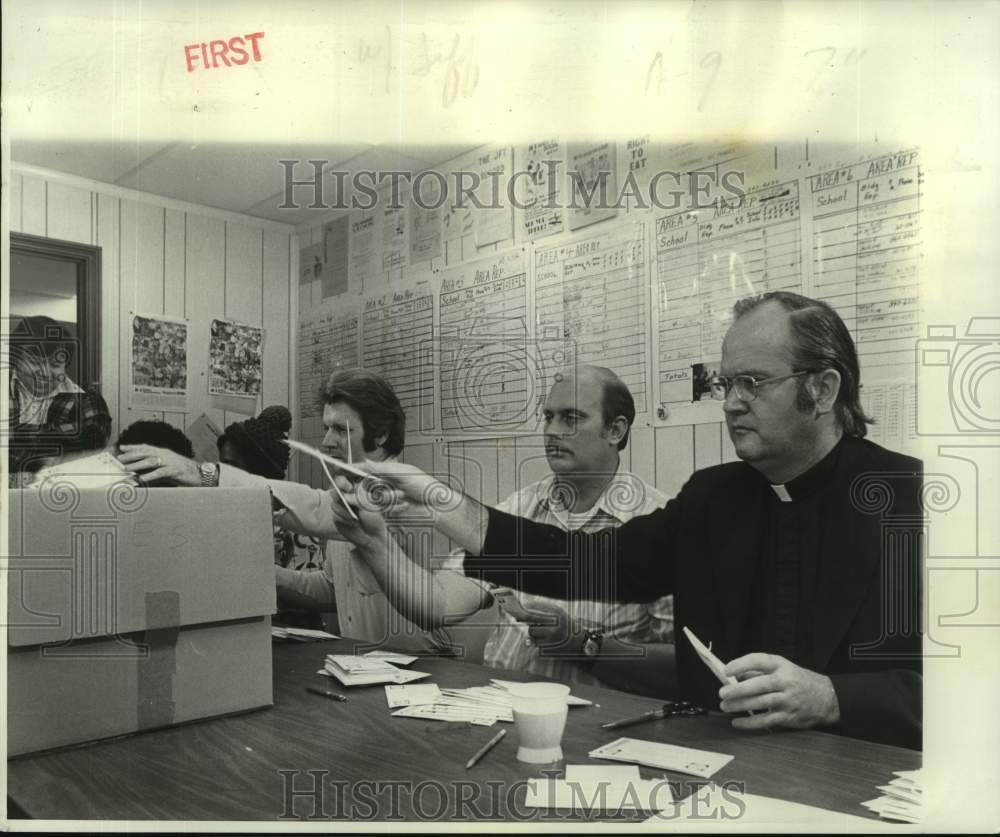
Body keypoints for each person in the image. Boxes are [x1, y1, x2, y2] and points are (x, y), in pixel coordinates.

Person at [336, 292, 923, 749]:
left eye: (754, 382)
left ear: (823, 389)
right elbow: (583, 563)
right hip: (718, 767)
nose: (730, 401)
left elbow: (968, 689)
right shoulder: (714, 498)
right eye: (727, 382)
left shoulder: (913, 499)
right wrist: (438, 500)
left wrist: (832, 696)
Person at [334, 365, 676, 694]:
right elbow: (437, 606)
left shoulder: (657, 524)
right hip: (500, 716)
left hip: (594, 732)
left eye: (571, 418)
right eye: (548, 417)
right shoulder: (520, 508)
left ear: (615, 431)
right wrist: (373, 540)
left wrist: (583, 644)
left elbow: (684, 669)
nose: (552, 431)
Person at [118, 369, 450, 655]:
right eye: (326, 428)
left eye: (341, 430)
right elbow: (332, 591)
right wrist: (259, 574)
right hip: (369, 672)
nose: (326, 443)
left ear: (380, 434)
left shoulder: (402, 495)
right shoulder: (349, 494)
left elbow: (314, 507)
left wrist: (202, 474)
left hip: (422, 679)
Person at [8, 315, 112, 479]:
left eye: (55, 365)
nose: (45, 373)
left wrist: (14, 436)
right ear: (16, 360)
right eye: (35, 362)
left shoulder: (86, 398)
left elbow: (95, 434)